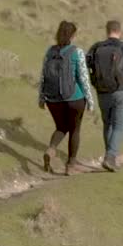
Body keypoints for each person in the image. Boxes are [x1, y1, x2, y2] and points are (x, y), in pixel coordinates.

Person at [39, 20, 95, 176]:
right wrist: (90, 100)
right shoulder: (77, 52)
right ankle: (70, 165)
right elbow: (83, 78)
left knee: (61, 127)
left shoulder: (50, 52)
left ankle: (51, 149)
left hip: (52, 99)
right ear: (72, 35)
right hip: (74, 98)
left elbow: (43, 76)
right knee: (75, 129)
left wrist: (41, 98)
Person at [86, 20, 123, 171]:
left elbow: (86, 64)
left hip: (101, 91)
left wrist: (94, 81)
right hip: (120, 91)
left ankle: (110, 156)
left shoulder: (96, 47)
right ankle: (110, 157)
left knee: (107, 124)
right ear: (119, 31)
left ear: (106, 30)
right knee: (119, 125)